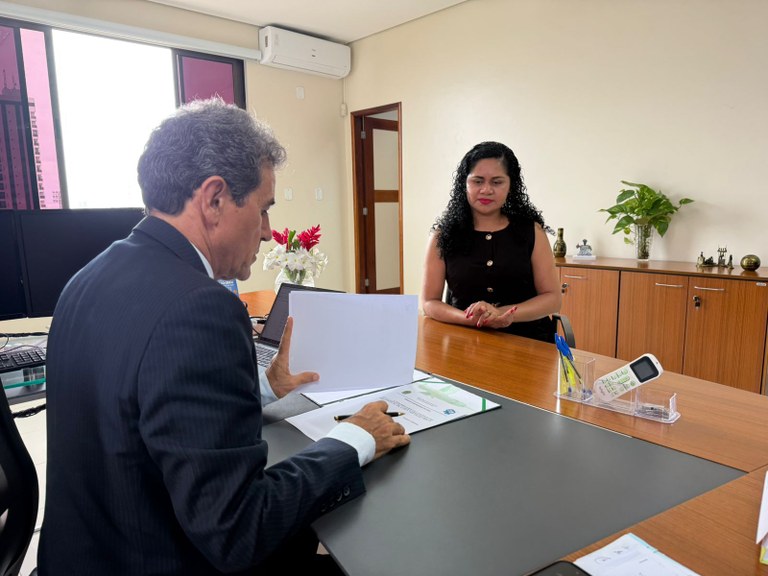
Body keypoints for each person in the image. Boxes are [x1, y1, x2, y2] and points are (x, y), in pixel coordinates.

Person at [38, 98, 410, 576]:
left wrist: (264, 387)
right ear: (214, 199)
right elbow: (238, 530)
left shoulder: (88, 278)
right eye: (264, 209)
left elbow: (144, 405)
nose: (269, 232)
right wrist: (354, 438)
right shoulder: (200, 308)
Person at [420, 141, 561, 342]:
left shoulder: (532, 231)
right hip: (463, 338)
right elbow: (429, 302)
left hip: (527, 341)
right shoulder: (442, 235)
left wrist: (500, 314)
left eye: (497, 182)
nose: (486, 190)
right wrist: (471, 319)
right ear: (464, 184)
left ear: (511, 185)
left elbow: (552, 299)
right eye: (477, 181)